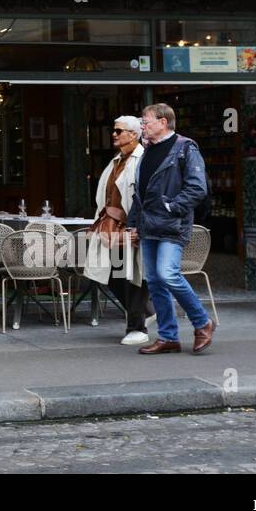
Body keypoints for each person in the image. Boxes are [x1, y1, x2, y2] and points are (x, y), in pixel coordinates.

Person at [128, 103, 215, 355]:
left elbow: (197, 188)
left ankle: (202, 322)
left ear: (163, 122)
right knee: (155, 281)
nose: (143, 126)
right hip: (149, 225)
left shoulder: (185, 148)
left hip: (172, 225)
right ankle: (168, 337)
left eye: (146, 121)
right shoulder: (147, 151)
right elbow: (139, 193)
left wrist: (172, 207)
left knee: (167, 274)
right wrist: (133, 223)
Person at [89, 115, 152, 346]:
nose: (114, 134)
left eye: (119, 131)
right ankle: (146, 311)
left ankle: (137, 327)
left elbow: (144, 198)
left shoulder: (142, 159)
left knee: (133, 275)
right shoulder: (117, 160)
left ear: (134, 135)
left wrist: (138, 226)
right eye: (113, 130)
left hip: (131, 225)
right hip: (111, 225)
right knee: (114, 274)